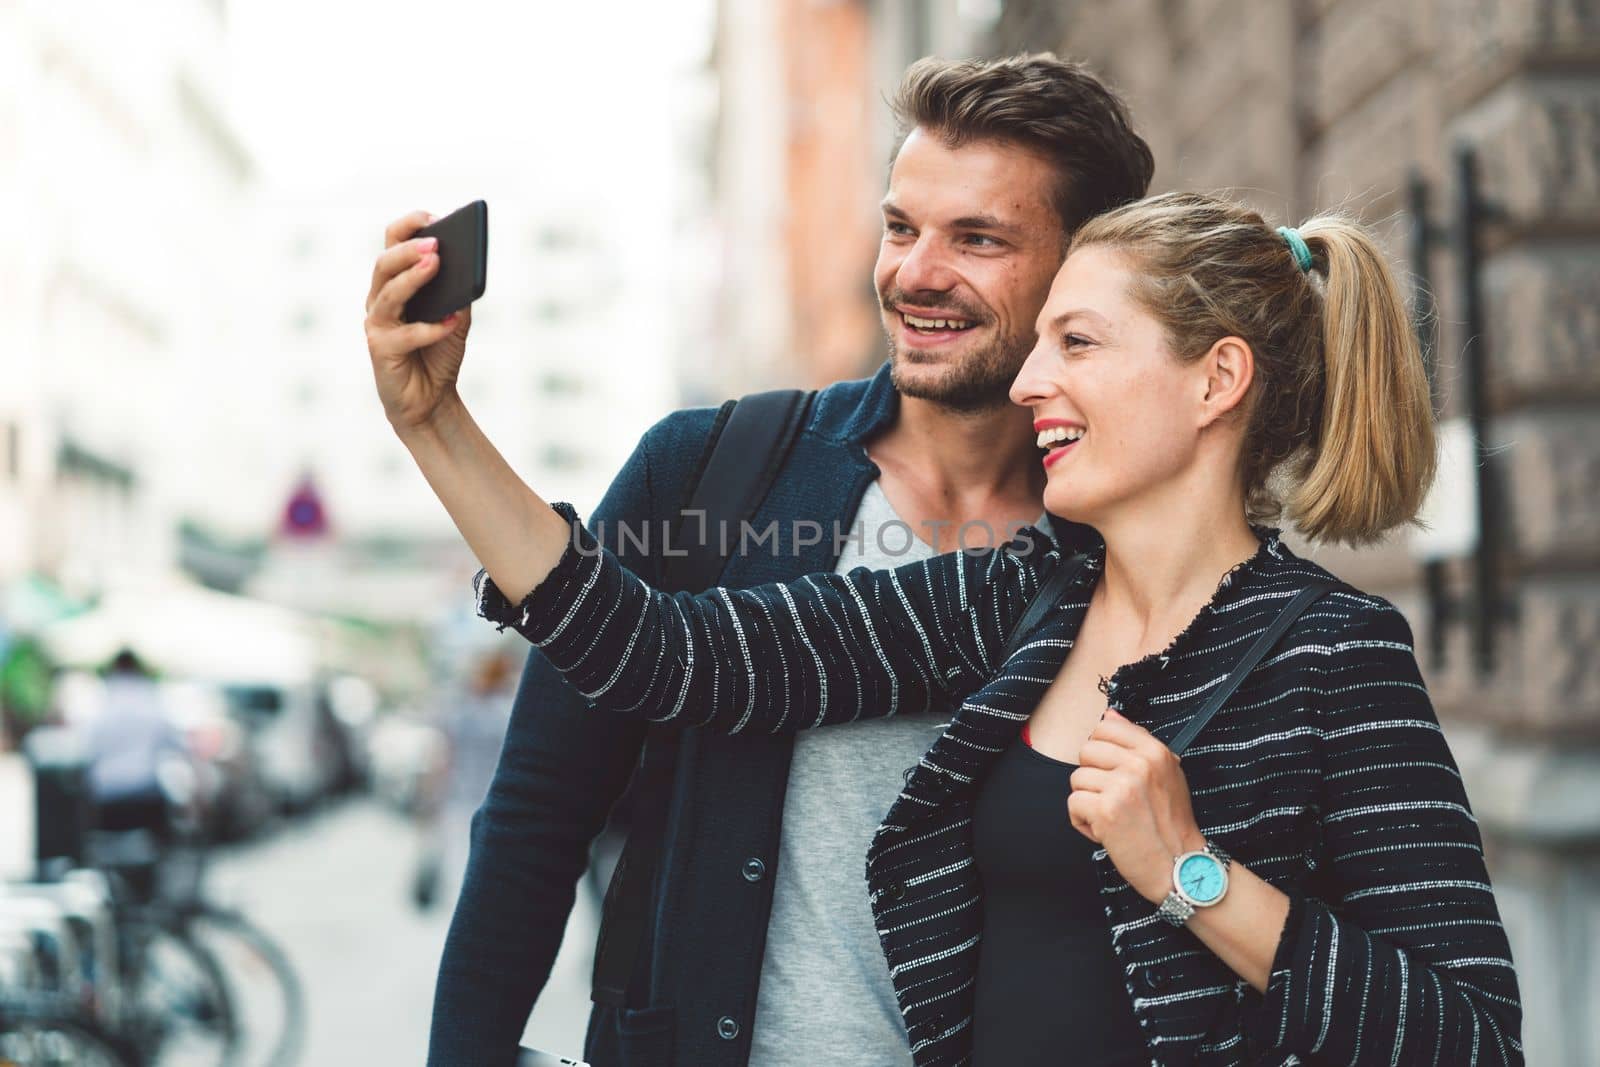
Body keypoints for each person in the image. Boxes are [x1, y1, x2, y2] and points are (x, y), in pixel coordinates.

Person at [368, 191, 1524, 1064]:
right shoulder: (1026, 594)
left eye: (1077, 343)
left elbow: (1471, 1033)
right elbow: (682, 657)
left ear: (1216, 378)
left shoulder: (1333, 652)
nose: (1028, 383)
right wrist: (437, 429)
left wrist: (1192, 872)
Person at [393, 54, 1155, 1066]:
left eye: (977, 238)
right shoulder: (708, 473)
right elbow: (538, 812)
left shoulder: (1111, 544)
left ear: (1082, 270)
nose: (914, 272)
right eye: (899, 228)